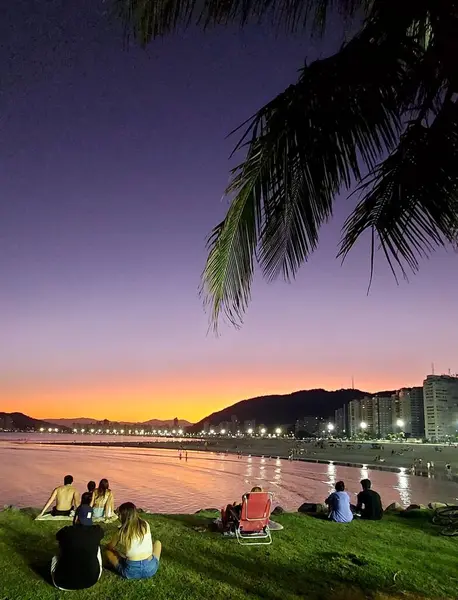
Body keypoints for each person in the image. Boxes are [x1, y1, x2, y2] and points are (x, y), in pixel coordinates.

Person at [51, 497, 103, 590]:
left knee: (59, 549)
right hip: (91, 581)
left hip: (62, 583)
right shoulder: (98, 531)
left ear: (77, 517)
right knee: (97, 548)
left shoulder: (66, 531)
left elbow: (58, 536)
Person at [106, 502, 161, 580]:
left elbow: (110, 546)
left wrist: (115, 551)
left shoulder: (121, 532)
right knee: (157, 543)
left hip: (131, 572)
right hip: (150, 569)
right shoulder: (145, 524)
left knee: (108, 552)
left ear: (122, 516)